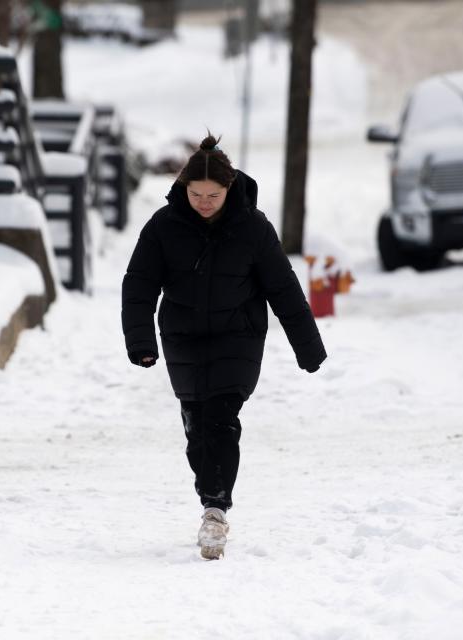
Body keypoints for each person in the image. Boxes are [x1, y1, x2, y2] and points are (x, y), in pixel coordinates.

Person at [121, 134, 326, 560]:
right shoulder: (163, 226)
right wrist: (140, 340)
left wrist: (307, 347)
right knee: (196, 427)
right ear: (183, 188)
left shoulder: (254, 228)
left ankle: (215, 511)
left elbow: (283, 289)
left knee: (220, 416)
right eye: (196, 194)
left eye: (213, 195)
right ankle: (210, 495)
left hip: (240, 335)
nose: (204, 202)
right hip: (183, 337)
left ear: (230, 188)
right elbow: (139, 286)